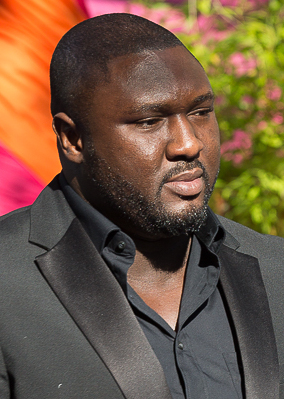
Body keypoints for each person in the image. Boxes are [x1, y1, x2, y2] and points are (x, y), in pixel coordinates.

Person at [0, 13, 283, 399]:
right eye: (150, 121)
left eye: (201, 113)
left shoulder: (275, 269)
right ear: (72, 138)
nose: (188, 143)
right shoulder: (8, 280)